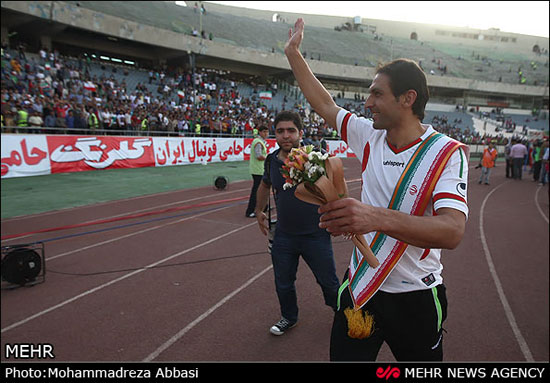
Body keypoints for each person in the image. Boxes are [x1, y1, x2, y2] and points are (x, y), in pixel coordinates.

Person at [285, 18, 469, 361]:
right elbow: (325, 105)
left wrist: (373, 217)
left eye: (376, 94)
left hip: (416, 296)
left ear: (407, 98)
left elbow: (452, 231)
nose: (366, 103)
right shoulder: (370, 136)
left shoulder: (446, 153)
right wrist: (293, 54)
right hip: (361, 288)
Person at [254, 110, 340, 336]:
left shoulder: (317, 157)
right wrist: (259, 209)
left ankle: (342, 314)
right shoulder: (272, 160)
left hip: (316, 234)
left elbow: (337, 188)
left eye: (291, 130)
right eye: (280, 131)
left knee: (329, 283)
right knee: (283, 282)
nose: (286, 136)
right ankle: (289, 317)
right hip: (284, 235)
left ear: (300, 132)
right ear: (275, 134)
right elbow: (264, 185)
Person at [245, 125, 269, 218]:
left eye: (267, 132)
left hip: (260, 169)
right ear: (260, 132)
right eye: (264, 132)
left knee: (263, 189)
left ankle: (264, 206)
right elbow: (258, 156)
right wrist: (268, 158)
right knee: (256, 191)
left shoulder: (260, 142)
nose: (266, 134)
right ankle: (250, 211)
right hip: (258, 170)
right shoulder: (258, 142)